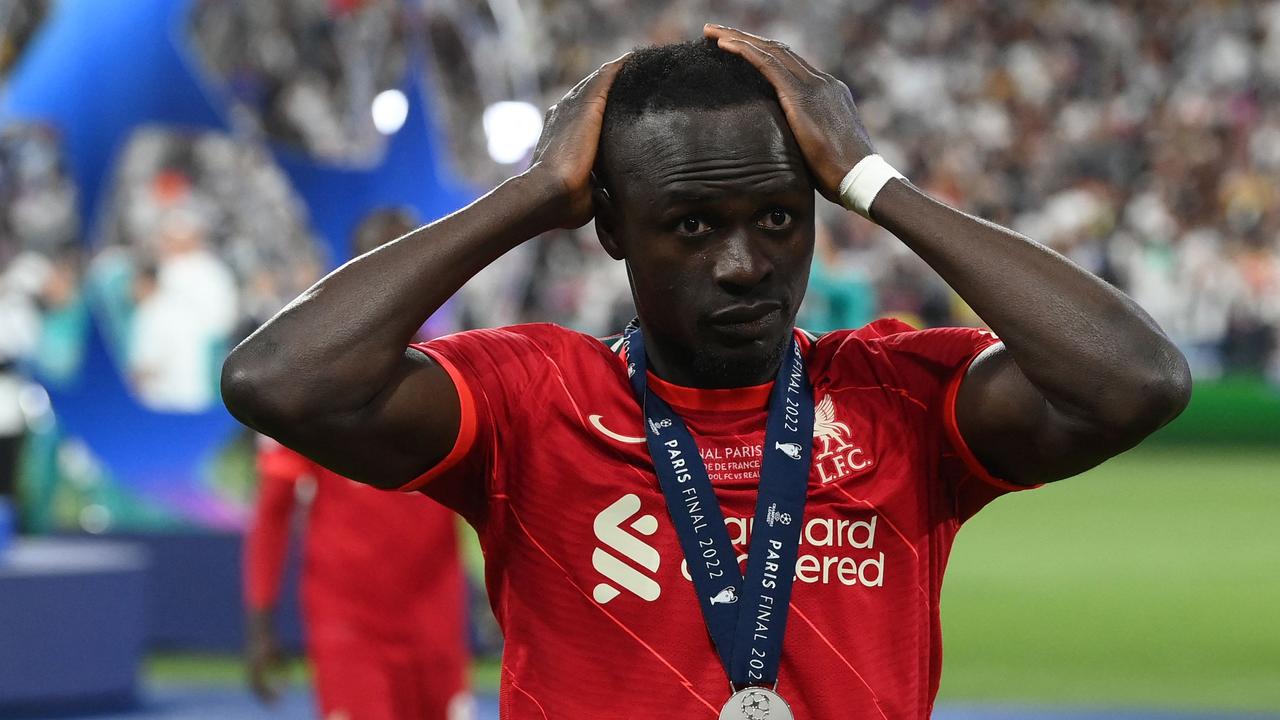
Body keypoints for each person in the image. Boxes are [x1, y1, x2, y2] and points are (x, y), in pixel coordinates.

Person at [223, 27, 1192, 720]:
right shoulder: (533, 403)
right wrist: (526, 197)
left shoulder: (896, 399)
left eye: (777, 217)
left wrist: (870, 180)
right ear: (608, 230)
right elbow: (280, 379)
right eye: (691, 226)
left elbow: (1135, 379)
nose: (742, 263)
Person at [241, 209, 472, 720]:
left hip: (436, 616)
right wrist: (260, 622)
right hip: (349, 621)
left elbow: (494, 493)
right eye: (379, 263)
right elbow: (274, 512)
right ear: (352, 272)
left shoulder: (460, 372)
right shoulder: (309, 385)